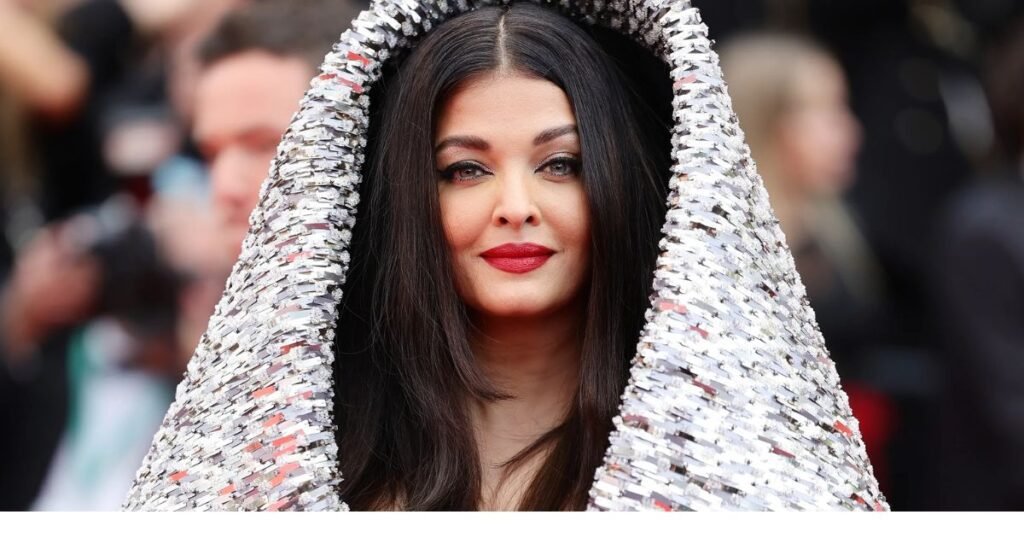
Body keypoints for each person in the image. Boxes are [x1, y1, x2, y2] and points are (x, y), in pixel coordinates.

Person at [125, 0, 885, 512]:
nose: (514, 204)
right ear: (406, 200)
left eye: (560, 164)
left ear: (622, 184)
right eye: (465, 169)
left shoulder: (750, 476)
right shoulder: (294, 467)